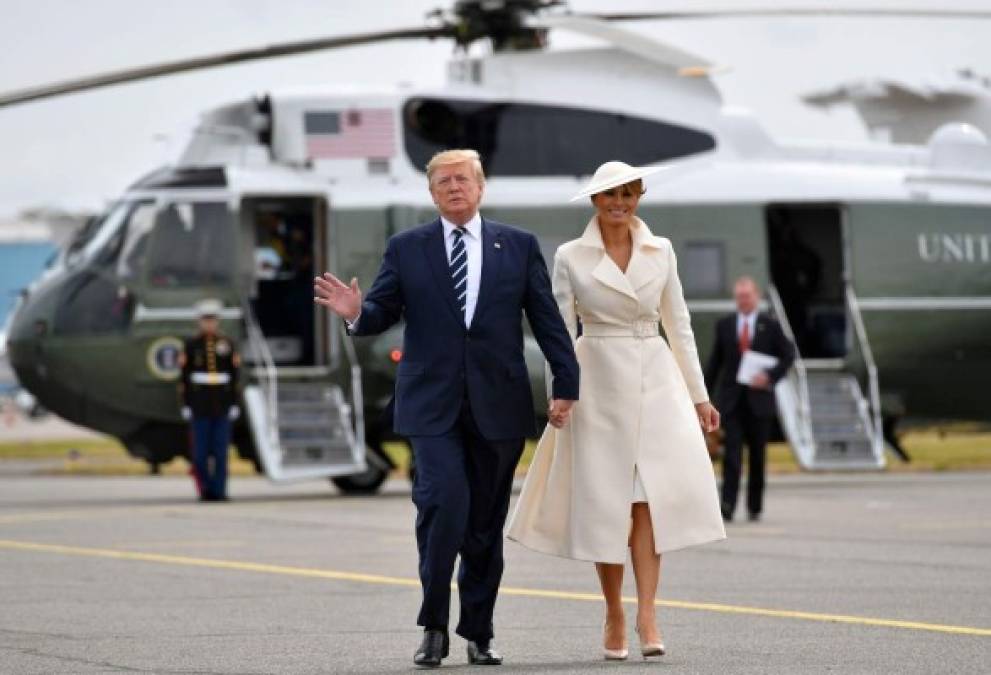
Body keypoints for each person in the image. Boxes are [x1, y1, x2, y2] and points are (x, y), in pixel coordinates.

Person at [313, 149, 579, 668]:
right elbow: (382, 309)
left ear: (480, 187)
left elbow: (547, 320)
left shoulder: (518, 246)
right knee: (443, 509)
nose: (454, 187)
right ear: (432, 194)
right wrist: (356, 315)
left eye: (462, 179)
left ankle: (478, 632)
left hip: (497, 406)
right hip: (431, 407)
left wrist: (566, 382)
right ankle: (433, 624)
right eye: (443, 182)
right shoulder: (408, 248)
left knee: (483, 525)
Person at [507, 161, 726, 661]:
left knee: (650, 500)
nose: (619, 203)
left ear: (639, 196)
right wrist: (558, 394)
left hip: (656, 378)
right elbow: (558, 334)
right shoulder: (569, 257)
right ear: (594, 201)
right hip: (597, 382)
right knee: (608, 503)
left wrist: (700, 395)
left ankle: (648, 611)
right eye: (610, 195)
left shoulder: (661, 250)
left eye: (628, 194)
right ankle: (613, 611)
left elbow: (681, 324)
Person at [704, 277, 795, 522]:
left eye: (747, 296)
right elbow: (715, 364)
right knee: (731, 456)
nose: (743, 301)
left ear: (756, 297)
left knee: (757, 456)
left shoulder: (770, 325)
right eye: (739, 297)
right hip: (732, 402)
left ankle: (755, 506)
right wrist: (702, 397)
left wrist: (770, 377)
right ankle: (728, 504)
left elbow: (789, 355)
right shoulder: (725, 325)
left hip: (759, 402)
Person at [178, 299, 241, 502]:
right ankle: (205, 489)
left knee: (221, 453)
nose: (209, 324)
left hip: (221, 405)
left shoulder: (227, 344)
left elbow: (234, 377)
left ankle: (220, 491)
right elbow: (184, 379)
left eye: (212, 319)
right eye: (205, 319)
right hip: (199, 405)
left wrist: (234, 403)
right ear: (199, 321)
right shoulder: (191, 345)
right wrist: (186, 404)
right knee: (200, 454)